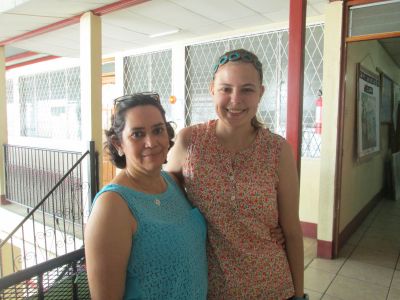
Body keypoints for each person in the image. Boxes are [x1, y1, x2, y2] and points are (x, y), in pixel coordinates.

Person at [166, 49, 306, 299]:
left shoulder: (278, 150)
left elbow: (293, 232)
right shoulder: (189, 141)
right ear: (212, 89)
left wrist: (299, 295)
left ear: (261, 93)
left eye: (247, 89)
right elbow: (169, 204)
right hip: (208, 287)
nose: (235, 99)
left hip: (271, 286)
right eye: (226, 88)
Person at [85, 93, 208, 300]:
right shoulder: (113, 206)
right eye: (137, 134)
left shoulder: (173, 182)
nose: (151, 142)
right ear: (118, 144)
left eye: (158, 130)